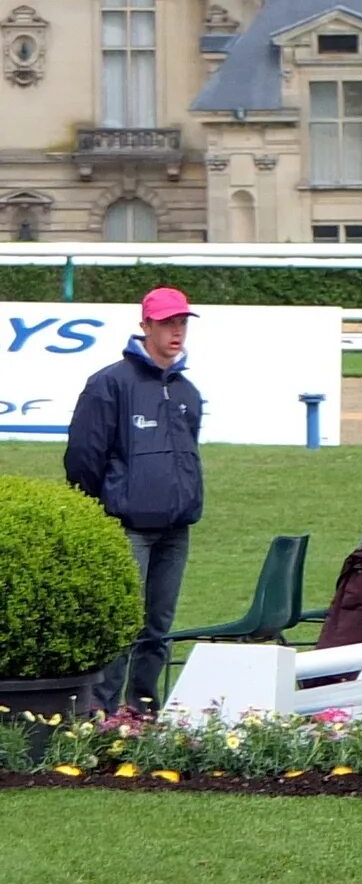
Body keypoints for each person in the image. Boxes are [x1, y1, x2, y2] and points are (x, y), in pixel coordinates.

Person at [64, 287, 205, 716]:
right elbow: (83, 457)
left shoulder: (186, 390)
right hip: (127, 526)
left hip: (176, 529)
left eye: (181, 322)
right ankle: (101, 715)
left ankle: (143, 712)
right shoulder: (110, 384)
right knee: (121, 624)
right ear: (145, 326)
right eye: (166, 323)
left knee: (158, 628)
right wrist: (103, 509)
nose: (176, 331)